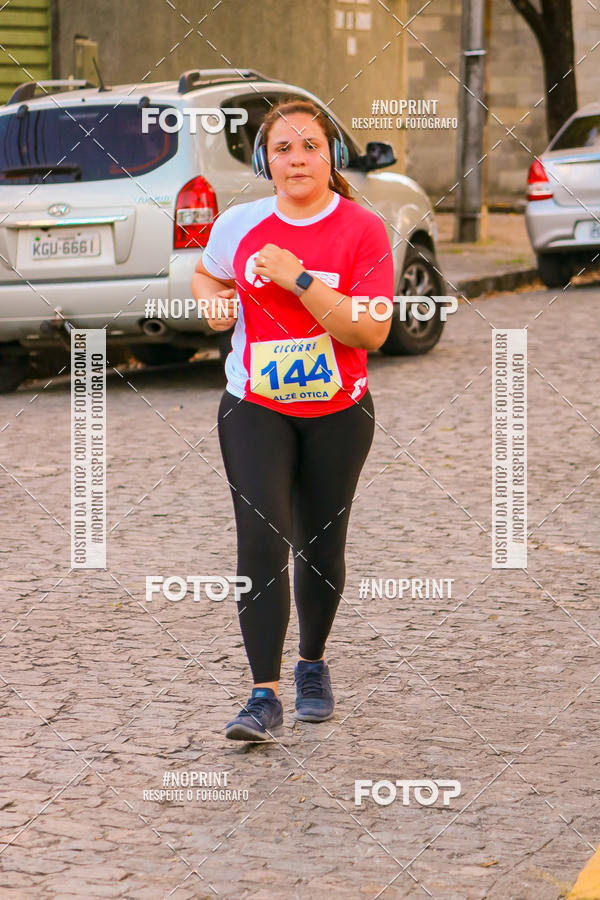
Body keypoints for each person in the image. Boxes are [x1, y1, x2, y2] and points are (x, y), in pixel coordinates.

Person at [191, 98, 394, 741]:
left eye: (310, 146)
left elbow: (372, 329)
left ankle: (311, 663)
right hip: (256, 405)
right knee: (261, 539)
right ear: (264, 160)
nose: (297, 159)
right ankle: (263, 694)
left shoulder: (361, 228)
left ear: (330, 156)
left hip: (338, 411)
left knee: (319, 544)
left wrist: (299, 277)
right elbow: (204, 274)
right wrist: (216, 304)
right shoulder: (239, 224)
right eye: (283, 149)